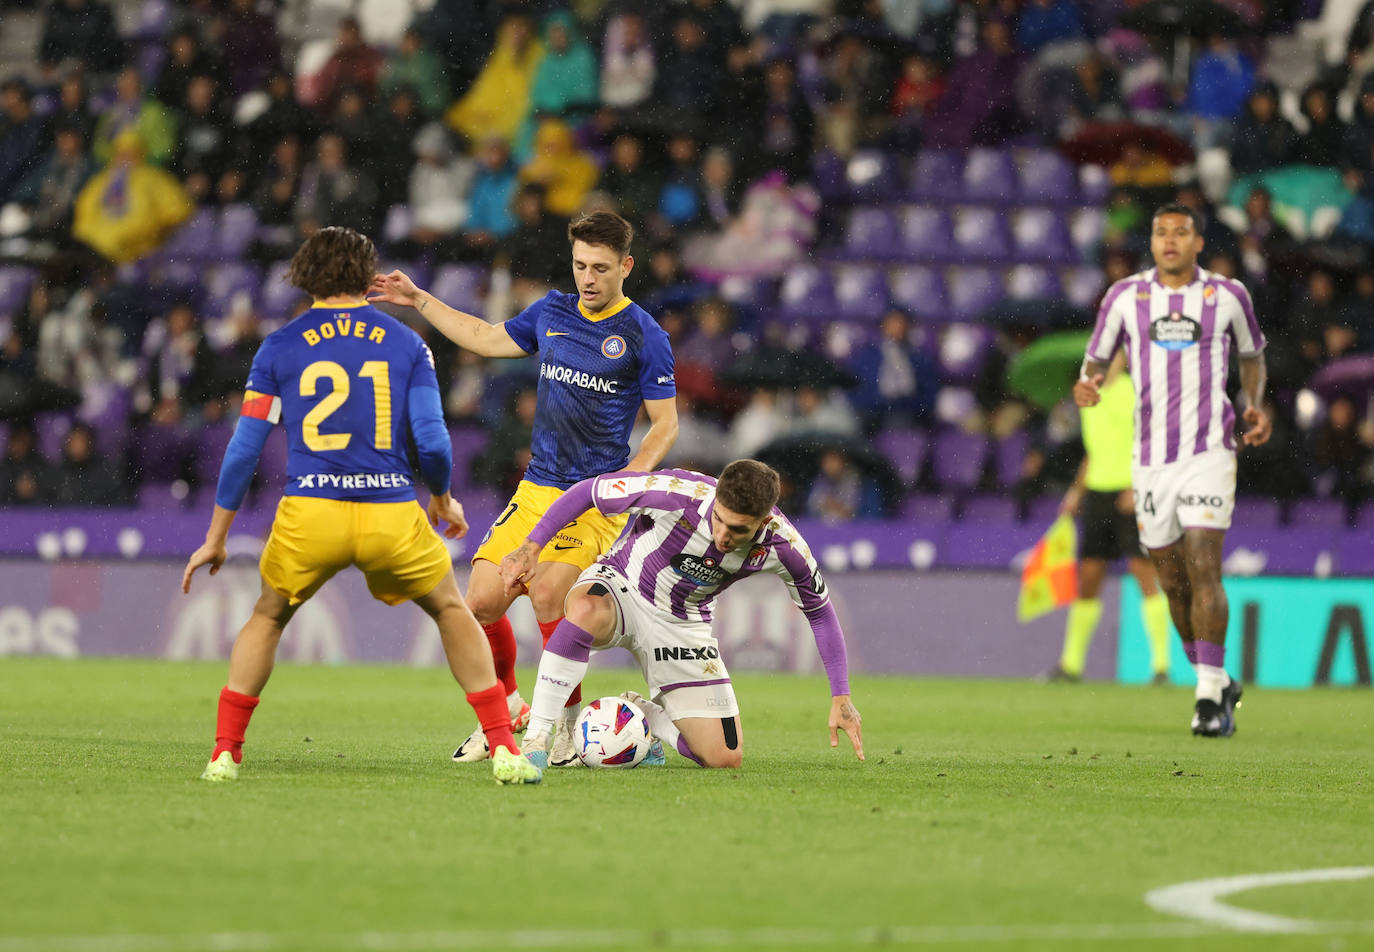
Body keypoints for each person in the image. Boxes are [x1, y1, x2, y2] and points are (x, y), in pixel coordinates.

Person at [181, 227, 540, 786]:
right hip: (388, 512)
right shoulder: (405, 343)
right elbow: (433, 439)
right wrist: (442, 499)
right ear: (366, 275)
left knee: (269, 615)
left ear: (304, 274)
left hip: (310, 513)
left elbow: (245, 447)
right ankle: (502, 747)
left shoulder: (279, 346)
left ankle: (225, 753)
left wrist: (216, 535)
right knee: (450, 610)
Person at [367, 211, 678, 766]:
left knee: (547, 594)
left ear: (626, 267)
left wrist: (629, 482)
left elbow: (666, 424)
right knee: (480, 602)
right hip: (537, 487)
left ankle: (562, 726)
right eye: (581, 265)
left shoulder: (644, 335)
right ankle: (509, 713)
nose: (588, 278)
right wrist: (419, 300)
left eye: (602, 269)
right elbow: (486, 338)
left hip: (592, 498)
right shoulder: (553, 311)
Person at [499, 459, 865, 770]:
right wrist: (531, 548)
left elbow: (820, 612)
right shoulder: (677, 491)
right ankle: (536, 741)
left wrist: (841, 696)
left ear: (764, 520)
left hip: (684, 623)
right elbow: (587, 492)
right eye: (719, 519)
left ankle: (644, 716)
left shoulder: (784, 546)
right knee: (584, 608)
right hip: (623, 586)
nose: (722, 535)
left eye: (738, 529)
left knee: (724, 757)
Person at [1075, 204, 1270, 738]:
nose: (1169, 241)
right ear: (1153, 242)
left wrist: (1252, 401)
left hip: (1209, 451)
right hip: (1151, 462)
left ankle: (1207, 699)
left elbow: (1252, 355)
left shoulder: (1227, 296)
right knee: (1172, 581)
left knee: (1204, 561)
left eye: (1180, 233)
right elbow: (1095, 359)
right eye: (1161, 232)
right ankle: (1218, 676)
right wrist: (1087, 383)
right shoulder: (1125, 297)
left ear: (1198, 243)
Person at [1045, 351, 1171, 685]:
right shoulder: (1088, 398)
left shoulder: (1136, 392)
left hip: (1129, 491)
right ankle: (1070, 664)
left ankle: (1161, 666)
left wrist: (1140, 485)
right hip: (1098, 493)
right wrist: (1076, 491)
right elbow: (1095, 449)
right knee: (1089, 575)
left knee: (1143, 571)